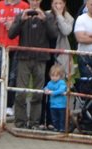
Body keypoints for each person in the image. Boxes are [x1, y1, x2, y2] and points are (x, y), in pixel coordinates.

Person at [7, 0, 55, 130]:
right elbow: (11, 34)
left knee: (38, 93)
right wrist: (21, 21)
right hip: (24, 58)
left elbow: (53, 35)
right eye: (32, 0)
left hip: (40, 59)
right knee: (20, 92)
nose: (34, 2)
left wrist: (44, 20)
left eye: (36, 0)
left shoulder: (48, 16)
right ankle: (20, 122)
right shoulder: (21, 15)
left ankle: (34, 123)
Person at [0, 0, 27, 118]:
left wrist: (14, 26)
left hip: (17, 46)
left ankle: (9, 106)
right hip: (2, 46)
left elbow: (27, 26)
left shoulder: (24, 6)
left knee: (13, 77)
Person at [49, 0, 72, 77]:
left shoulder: (69, 17)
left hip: (60, 52)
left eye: (60, 3)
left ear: (64, 4)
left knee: (59, 77)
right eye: (55, 3)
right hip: (47, 50)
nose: (58, 6)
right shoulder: (46, 14)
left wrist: (59, 16)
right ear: (52, 4)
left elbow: (66, 31)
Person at [44, 62, 67, 131]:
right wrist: (46, 90)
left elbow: (61, 90)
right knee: (54, 118)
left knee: (61, 118)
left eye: (56, 76)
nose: (54, 78)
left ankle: (62, 128)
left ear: (60, 76)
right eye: (52, 76)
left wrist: (53, 92)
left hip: (61, 105)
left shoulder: (62, 83)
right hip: (53, 105)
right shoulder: (50, 83)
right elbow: (46, 87)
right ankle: (56, 127)